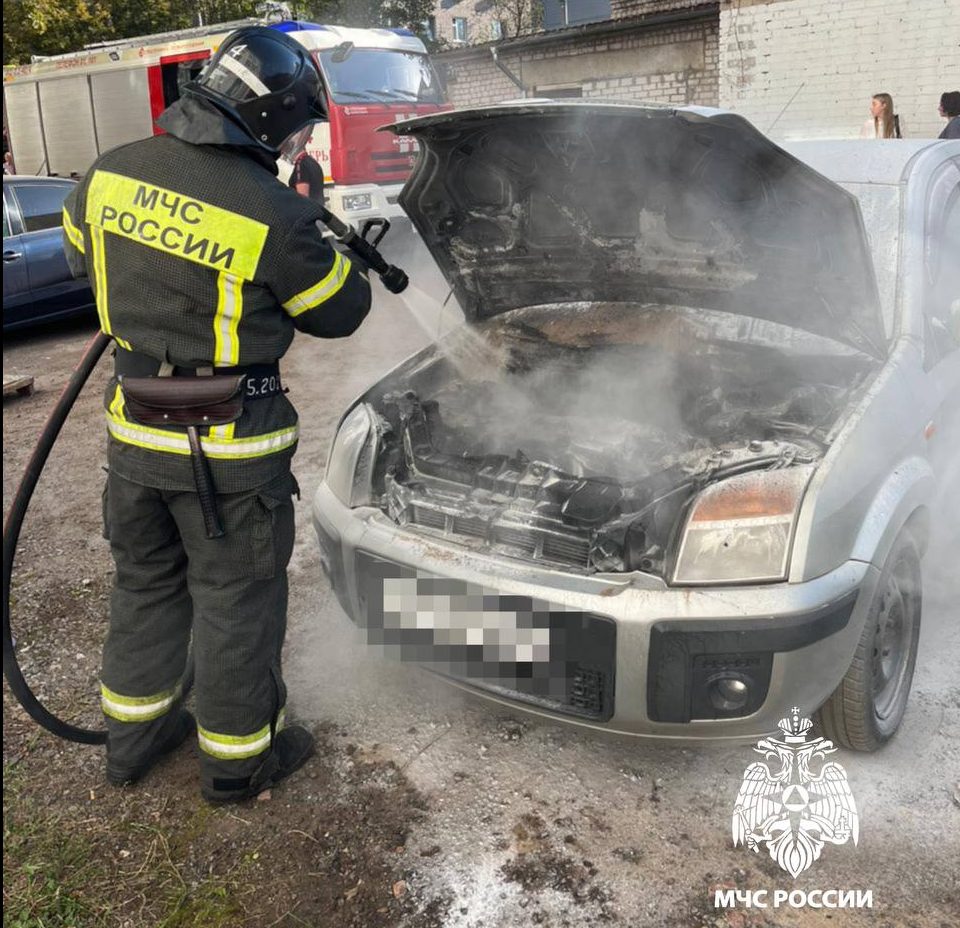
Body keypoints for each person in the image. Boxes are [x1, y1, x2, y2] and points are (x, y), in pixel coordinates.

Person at [60, 26, 371, 803]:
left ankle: (132, 742)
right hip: (229, 455)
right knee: (236, 606)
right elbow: (340, 312)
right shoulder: (272, 212)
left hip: (133, 436)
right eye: (298, 122)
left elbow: (80, 254)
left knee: (146, 585)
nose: (301, 137)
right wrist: (325, 240)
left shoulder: (108, 173)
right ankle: (238, 766)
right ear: (266, 119)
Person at [282, 126, 326, 203]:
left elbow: (303, 197)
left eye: (286, 149)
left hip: (308, 212)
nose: (285, 153)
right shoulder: (313, 162)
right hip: (319, 209)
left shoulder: (301, 164)